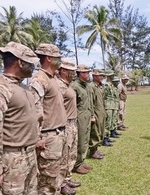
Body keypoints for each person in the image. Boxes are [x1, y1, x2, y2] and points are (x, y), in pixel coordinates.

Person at [0, 42, 39, 194]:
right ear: (20, 62)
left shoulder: (24, 88)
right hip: (11, 158)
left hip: (29, 155)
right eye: (30, 64)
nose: (33, 68)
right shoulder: (1, 88)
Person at [29, 43, 67, 194]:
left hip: (58, 135)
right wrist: (37, 137)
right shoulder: (39, 79)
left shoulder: (52, 79)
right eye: (58, 57)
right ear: (49, 58)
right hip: (48, 137)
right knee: (47, 182)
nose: (60, 60)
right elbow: (34, 111)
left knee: (56, 178)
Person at [57, 60, 81, 194]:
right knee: (64, 155)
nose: (73, 73)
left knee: (71, 153)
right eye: (71, 70)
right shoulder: (59, 86)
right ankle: (61, 184)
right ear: (63, 71)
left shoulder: (68, 85)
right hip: (65, 123)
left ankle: (67, 178)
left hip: (73, 122)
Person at [71, 65, 94, 174]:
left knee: (85, 139)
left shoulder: (86, 86)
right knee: (80, 140)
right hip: (79, 116)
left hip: (87, 115)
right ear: (80, 74)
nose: (88, 75)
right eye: (86, 73)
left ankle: (81, 161)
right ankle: (76, 164)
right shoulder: (75, 86)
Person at [89, 69, 107, 156]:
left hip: (101, 111)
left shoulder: (101, 86)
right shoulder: (91, 86)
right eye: (100, 75)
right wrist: (92, 115)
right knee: (95, 131)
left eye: (102, 75)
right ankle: (93, 150)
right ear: (94, 76)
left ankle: (96, 148)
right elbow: (90, 102)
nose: (102, 77)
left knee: (101, 131)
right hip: (96, 112)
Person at [103, 70, 121, 145]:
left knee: (112, 121)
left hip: (113, 106)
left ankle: (110, 133)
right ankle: (105, 138)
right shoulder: (106, 85)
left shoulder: (112, 86)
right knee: (107, 123)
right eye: (111, 75)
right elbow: (104, 97)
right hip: (108, 106)